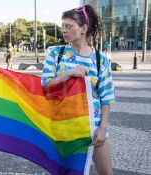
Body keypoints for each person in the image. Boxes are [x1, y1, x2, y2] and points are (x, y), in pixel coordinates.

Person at [41, 5, 115, 175]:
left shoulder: (100, 59)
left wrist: (102, 128)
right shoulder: (56, 53)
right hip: (65, 128)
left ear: (83, 29)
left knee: (107, 173)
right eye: (63, 26)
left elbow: (106, 97)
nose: (63, 30)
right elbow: (45, 85)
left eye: (69, 26)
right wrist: (69, 73)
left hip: (94, 127)